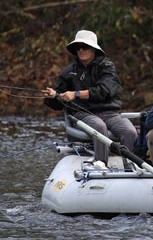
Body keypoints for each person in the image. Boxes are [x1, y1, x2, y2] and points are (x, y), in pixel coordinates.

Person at [44, 30, 137, 166]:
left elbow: (104, 91)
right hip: (83, 114)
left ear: (93, 49)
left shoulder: (107, 67)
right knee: (99, 126)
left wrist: (76, 94)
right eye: (78, 47)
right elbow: (57, 104)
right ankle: (101, 163)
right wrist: (53, 96)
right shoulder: (69, 71)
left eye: (85, 46)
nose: (81, 50)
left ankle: (125, 163)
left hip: (110, 113)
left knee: (130, 132)